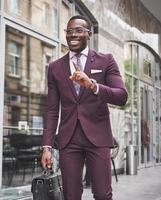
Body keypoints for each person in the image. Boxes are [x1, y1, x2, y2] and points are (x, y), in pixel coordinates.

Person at [41, 15, 128, 200]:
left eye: (78, 30)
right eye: (69, 31)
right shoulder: (55, 67)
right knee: (71, 195)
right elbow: (51, 109)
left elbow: (121, 96)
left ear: (89, 34)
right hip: (69, 139)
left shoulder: (106, 60)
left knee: (103, 195)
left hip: (98, 137)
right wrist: (47, 146)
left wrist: (92, 85)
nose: (73, 35)